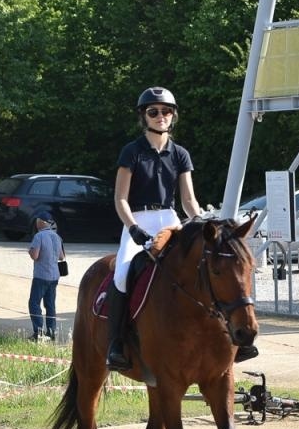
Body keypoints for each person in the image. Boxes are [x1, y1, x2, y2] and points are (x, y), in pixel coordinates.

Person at [107, 86, 254, 368]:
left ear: (173, 115)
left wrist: (202, 221)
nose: (160, 116)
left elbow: (188, 200)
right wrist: (133, 228)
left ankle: (233, 339)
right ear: (144, 116)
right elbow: (120, 198)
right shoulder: (131, 152)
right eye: (153, 112)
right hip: (138, 219)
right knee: (122, 275)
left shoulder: (180, 154)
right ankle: (116, 344)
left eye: (166, 111)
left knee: (204, 266)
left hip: (170, 219)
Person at [27, 210, 64, 342]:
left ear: (41, 222)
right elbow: (61, 257)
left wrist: (30, 251)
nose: (36, 223)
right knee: (50, 304)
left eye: (37, 221)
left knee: (34, 303)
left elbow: (35, 256)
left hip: (41, 275)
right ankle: (51, 332)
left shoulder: (39, 236)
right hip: (54, 276)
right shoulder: (57, 237)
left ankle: (38, 332)